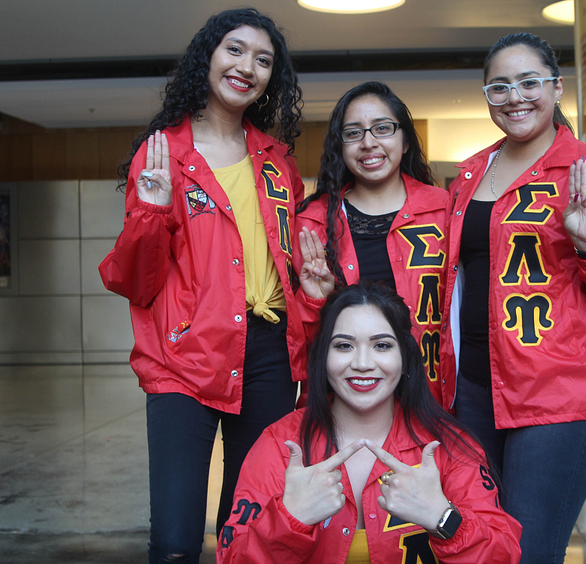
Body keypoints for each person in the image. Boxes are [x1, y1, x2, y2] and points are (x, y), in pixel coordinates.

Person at [98, 8, 306, 563]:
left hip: (269, 353)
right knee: (173, 540)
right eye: (235, 50)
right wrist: (150, 209)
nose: (248, 67)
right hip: (182, 354)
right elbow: (138, 282)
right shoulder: (164, 152)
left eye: (264, 60)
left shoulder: (277, 161)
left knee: (249, 523)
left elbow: (290, 262)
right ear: (207, 57)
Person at [441, 33, 586, 564]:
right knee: (477, 543)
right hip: (473, 390)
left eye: (529, 82)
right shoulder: (468, 176)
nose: (515, 97)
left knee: (529, 550)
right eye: (499, 87)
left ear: (557, 88)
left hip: (563, 394)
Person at [217, 282, 522, 564]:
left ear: (405, 357)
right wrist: (290, 518)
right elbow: (232, 557)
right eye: (344, 346)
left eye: (382, 346)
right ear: (323, 357)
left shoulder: (449, 446)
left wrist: (443, 518)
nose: (362, 363)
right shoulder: (280, 445)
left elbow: (504, 554)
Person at [296, 81, 449, 407]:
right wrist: (313, 302)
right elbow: (296, 342)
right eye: (353, 133)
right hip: (341, 401)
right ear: (340, 146)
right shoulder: (312, 221)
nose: (368, 143)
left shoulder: (445, 211)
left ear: (405, 140)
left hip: (430, 398)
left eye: (382, 129)